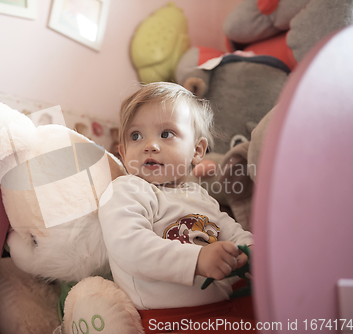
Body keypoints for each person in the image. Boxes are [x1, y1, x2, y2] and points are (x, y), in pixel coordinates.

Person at [98, 82, 255, 333]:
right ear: (124, 152)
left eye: (166, 134)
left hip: (226, 308)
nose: (150, 145)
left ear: (197, 150)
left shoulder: (200, 196)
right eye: (136, 136)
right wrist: (197, 259)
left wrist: (251, 249)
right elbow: (130, 247)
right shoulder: (127, 189)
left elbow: (231, 230)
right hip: (167, 319)